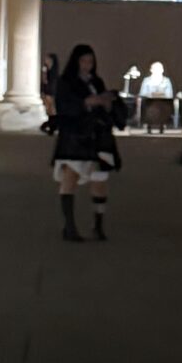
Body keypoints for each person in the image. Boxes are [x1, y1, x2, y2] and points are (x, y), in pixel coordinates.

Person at [49, 44, 121, 242]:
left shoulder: (97, 81)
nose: (87, 65)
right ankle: (69, 226)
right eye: (83, 61)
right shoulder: (66, 82)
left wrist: (106, 103)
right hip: (75, 136)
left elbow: (105, 107)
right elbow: (63, 106)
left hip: (97, 136)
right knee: (70, 177)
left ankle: (98, 225)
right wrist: (86, 103)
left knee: (100, 179)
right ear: (75, 61)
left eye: (90, 61)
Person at [139, 58, 175, 133]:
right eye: (155, 69)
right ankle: (148, 125)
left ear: (162, 70)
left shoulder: (166, 81)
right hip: (149, 102)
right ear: (151, 70)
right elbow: (143, 93)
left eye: (159, 69)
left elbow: (169, 94)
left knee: (164, 106)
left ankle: (162, 125)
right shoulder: (147, 81)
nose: (158, 70)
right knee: (147, 106)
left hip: (163, 102)